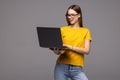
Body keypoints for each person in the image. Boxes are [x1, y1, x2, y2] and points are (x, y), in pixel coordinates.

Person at [50, 4, 92, 80]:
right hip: (61, 67)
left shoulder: (85, 31)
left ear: (79, 15)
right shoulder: (62, 29)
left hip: (77, 69)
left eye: (72, 15)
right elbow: (60, 50)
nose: (70, 17)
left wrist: (70, 47)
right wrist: (56, 51)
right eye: (68, 15)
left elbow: (87, 50)